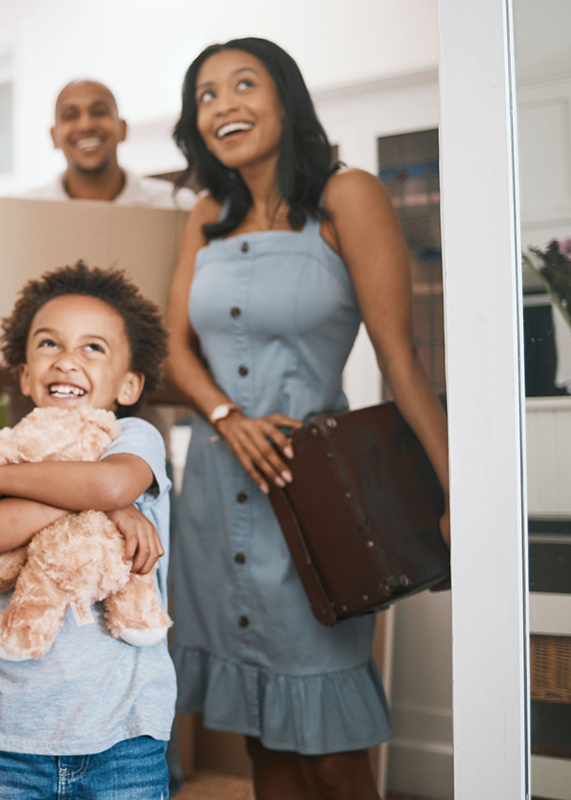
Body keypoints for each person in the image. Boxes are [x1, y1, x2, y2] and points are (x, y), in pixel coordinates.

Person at [164, 38, 451, 800]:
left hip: (314, 495)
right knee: (262, 736)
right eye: (206, 95)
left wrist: (456, 492)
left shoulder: (347, 195)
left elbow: (401, 359)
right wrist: (226, 416)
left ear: (285, 99)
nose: (224, 105)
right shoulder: (206, 213)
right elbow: (174, 351)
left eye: (244, 85)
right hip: (215, 498)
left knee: (331, 743)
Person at [0, 263, 177, 799]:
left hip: (124, 733)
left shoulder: (133, 436)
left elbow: (114, 481)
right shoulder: (8, 444)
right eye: (49, 344)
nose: (67, 360)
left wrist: (5, 483)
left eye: (93, 348)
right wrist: (101, 505)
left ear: (129, 384)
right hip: (13, 733)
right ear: (26, 374)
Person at [0, 79, 196, 367]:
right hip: (40, 399)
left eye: (99, 112)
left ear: (123, 128)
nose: (85, 124)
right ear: (54, 136)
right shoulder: (23, 212)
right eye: (71, 115)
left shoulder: (175, 206)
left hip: (140, 401)